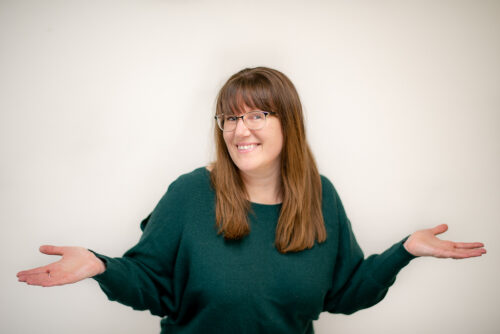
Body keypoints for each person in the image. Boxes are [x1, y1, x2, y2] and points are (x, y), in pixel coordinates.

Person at [17, 67, 486, 334]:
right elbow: (153, 287)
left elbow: (344, 295)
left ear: (289, 122)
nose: (240, 130)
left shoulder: (321, 196)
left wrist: (404, 251)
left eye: (258, 114)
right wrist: (102, 265)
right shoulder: (190, 193)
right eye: (229, 118)